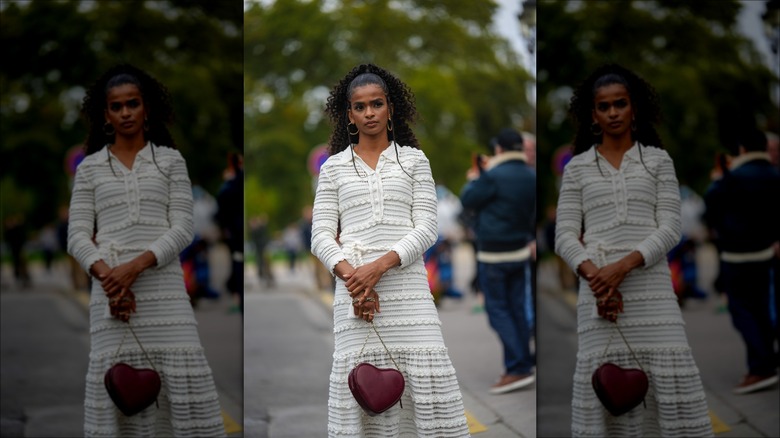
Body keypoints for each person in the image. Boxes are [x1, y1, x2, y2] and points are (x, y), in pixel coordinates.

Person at [311, 63, 470, 437]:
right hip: (354, 296)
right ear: (349, 114)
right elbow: (320, 236)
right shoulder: (333, 168)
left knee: (426, 387)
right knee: (365, 394)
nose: (369, 113)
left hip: (409, 292)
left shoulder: (414, 160)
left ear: (391, 108)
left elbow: (427, 228)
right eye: (360, 106)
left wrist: (378, 267)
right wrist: (354, 279)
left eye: (377, 104)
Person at [554, 64, 713, 436]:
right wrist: (597, 277)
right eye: (604, 106)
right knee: (607, 387)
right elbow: (564, 235)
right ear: (593, 114)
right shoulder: (577, 168)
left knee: (669, 383)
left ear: (634, 108)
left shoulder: (658, 160)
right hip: (598, 294)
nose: (613, 113)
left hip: (652, 291)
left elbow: (671, 227)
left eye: (620, 104)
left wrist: (622, 267)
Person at [68, 64, 225, 436]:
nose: (125, 113)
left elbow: (183, 228)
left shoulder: (170, 160)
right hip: (111, 295)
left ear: (147, 108)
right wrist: (110, 278)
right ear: (105, 114)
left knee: (181, 385)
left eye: (133, 104)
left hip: (164, 292)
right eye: (116, 106)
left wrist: (134, 268)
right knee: (118, 385)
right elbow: (77, 236)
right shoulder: (89, 169)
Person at [703, 128, 780, 394]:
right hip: (765, 254)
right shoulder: (774, 175)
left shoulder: (733, 177)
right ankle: (763, 363)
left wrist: (719, 177)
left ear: (742, 149)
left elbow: (711, 208)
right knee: (761, 311)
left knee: (741, 312)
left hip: (736, 256)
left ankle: (761, 368)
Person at [460, 127, 537, 394]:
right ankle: (521, 365)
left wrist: (477, 176)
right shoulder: (530, 175)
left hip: (493, 254)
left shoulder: (493, 175)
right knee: (517, 310)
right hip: (520, 251)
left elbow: (468, 200)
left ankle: (517, 368)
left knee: (498, 312)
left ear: (499, 149)